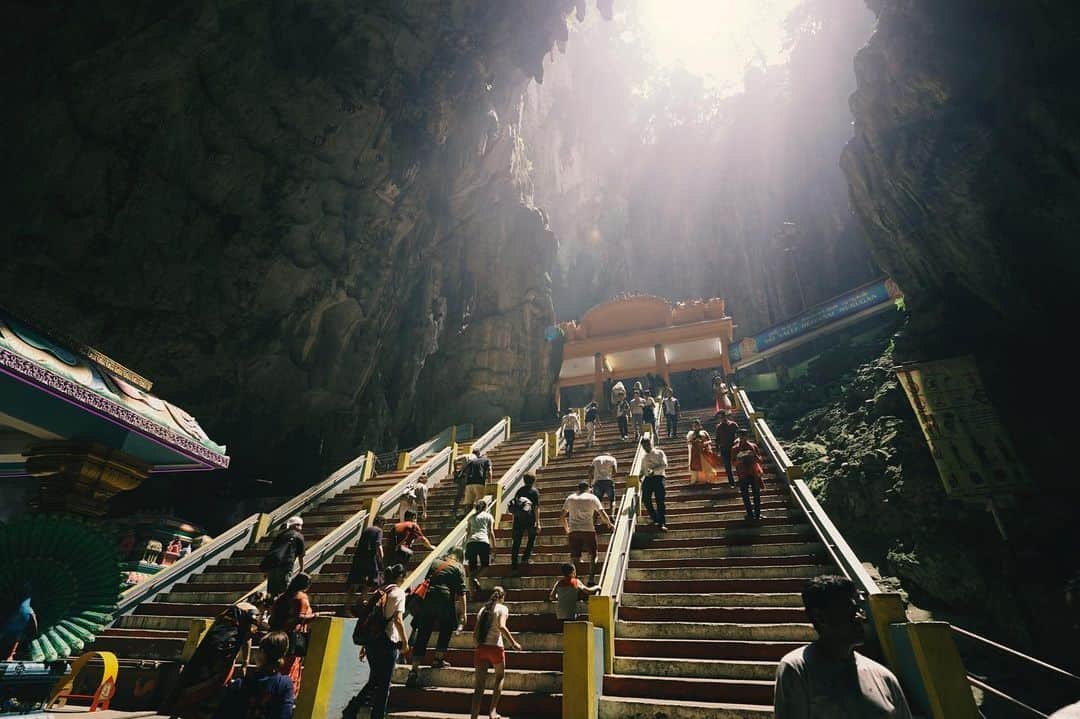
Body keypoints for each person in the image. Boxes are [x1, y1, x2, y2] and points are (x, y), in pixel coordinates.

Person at [774, 575, 912, 718]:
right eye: (851, 611)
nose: (861, 617)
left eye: (860, 610)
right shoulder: (797, 669)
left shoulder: (884, 676)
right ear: (820, 617)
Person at [168, 601, 259, 718]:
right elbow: (247, 638)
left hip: (207, 655)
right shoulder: (250, 616)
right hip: (217, 662)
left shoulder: (231, 613)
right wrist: (244, 664)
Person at [407, 547, 468, 684]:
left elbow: (427, 581)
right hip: (445, 600)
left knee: (423, 632)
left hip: (428, 599)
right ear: (460, 557)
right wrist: (463, 613)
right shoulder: (458, 567)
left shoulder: (435, 562)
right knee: (446, 628)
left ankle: (414, 669)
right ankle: (438, 659)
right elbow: (462, 592)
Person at [358, 564, 408, 719]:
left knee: (374, 679)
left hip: (372, 641)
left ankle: (353, 708)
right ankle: (377, 715)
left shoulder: (379, 591)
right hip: (388, 642)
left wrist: (365, 645)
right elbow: (398, 620)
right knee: (384, 684)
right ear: (400, 577)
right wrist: (405, 642)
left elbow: (371, 618)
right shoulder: (398, 593)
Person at [213, 631, 294, 719]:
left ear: (262, 653)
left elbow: (223, 714)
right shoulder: (285, 684)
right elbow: (285, 714)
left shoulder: (240, 684)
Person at [470, 587, 523, 719]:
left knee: (479, 685)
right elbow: (501, 626)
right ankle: (492, 711)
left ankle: (474, 716)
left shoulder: (483, 609)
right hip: (495, 648)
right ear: (502, 597)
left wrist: (478, 645)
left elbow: (475, 633)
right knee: (500, 676)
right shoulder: (502, 608)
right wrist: (514, 643)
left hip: (481, 648)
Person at [267, 572, 316, 696]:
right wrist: (315, 616)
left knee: (275, 666)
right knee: (290, 668)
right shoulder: (301, 597)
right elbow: (299, 617)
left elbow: (272, 618)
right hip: (292, 637)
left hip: (276, 635)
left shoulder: (282, 597)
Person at [562, 481, 614, 583]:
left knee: (575, 557)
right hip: (588, 529)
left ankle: (575, 580)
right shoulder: (592, 498)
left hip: (573, 530)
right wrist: (609, 523)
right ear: (588, 489)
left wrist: (567, 529)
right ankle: (590, 579)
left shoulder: (570, 498)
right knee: (593, 555)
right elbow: (602, 513)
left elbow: (561, 517)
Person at [260, 517, 305, 597]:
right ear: (294, 525)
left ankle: (270, 607)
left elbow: (272, 550)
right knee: (284, 590)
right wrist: (301, 569)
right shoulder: (298, 536)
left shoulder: (280, 535)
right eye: (299, 525)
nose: (300, 528)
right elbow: (301, 555)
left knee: (271, 591)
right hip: (286, 566)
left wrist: (267, 569)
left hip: (273, 565)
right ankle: (282, 607)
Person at [509, 473, 541, 572]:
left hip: (518, 520)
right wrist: (538, 522)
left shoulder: (519, 491)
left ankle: (514, 563)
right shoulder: (534, 491)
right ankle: (525, 558)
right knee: (531, 539)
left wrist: (513, 519)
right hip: (530, 519)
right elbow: (536, 508)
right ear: (534, 480)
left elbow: (515, 505)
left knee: (516, 542)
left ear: (524, 480)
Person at [346, 523, 384, 603]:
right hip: (369, 559)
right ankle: (362, 598)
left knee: (355, 582)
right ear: (382, 523)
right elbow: (378, 545)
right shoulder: (379, 530)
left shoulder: (366, 530)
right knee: (374, 579)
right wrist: (382, 558)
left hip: (358, 558)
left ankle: (347, 607)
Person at [0, 582, 37, 662]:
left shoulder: (28, 609)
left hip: (16, 627)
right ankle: (10, 656)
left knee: (17, 638)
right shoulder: (20, 605)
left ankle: (11, 656)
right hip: (8, 625)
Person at [733, 429, 764, 520]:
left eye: (744, 435)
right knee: (745, 495)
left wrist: (754, 455)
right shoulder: (735, 448)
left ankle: (757, 514)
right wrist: (739, 461)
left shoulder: (753, 446)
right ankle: (750, 514)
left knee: (756, 495)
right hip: (743, 474)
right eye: (741, 436)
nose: (742, 438)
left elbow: (760, 460)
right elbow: (733, 462)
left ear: (747, 436)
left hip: (753, 473)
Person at [466, 499, 496, 593]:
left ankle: (471, 595)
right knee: (485, 565)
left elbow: (468, 533)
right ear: (485, 507)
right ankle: (477, 577)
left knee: (471, 571)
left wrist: (466, 545)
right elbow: (491, 532)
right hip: (483, 542)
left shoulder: (471, 517)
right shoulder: (488, 516)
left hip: (471, 543)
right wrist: (494, 546)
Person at [640, 436, 669, 531]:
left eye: (647, 445)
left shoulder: (659, 452)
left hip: (658, 477)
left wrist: (654, 470)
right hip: (648, 479)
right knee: (645, 499)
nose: (646, 447)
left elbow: (664, 465)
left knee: (659, 500)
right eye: (644, 446)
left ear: (651, 443)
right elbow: (643, 469)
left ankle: (662, 523)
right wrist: (640, 476)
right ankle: (655, 517)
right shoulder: (644, 457)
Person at [686, 418, 721, 486]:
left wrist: (704, 443)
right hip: (695, 452)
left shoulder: (704, 432)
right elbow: (688, 442)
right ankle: (698, 479)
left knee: (707, 464)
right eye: (694, 426)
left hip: (704, 450)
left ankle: (708, 478)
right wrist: (694, 441)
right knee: (696, 465)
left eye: (697, 425)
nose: (695, 427)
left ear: (700, 426)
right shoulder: (691, 434)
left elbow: (710, 440)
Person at [715, 410, 740, 487]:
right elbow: (717, 439)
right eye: (719, 418)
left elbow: (738, 435)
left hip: (733, 448)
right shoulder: (719, 427)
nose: (721, 419)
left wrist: (737, 441)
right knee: (727, 466)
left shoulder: (733, 425)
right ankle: (731, 483)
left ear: (726, 416)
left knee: (738, 465)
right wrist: (717, 450)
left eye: (722, 417)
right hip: (724, 449)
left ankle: (741, 480)